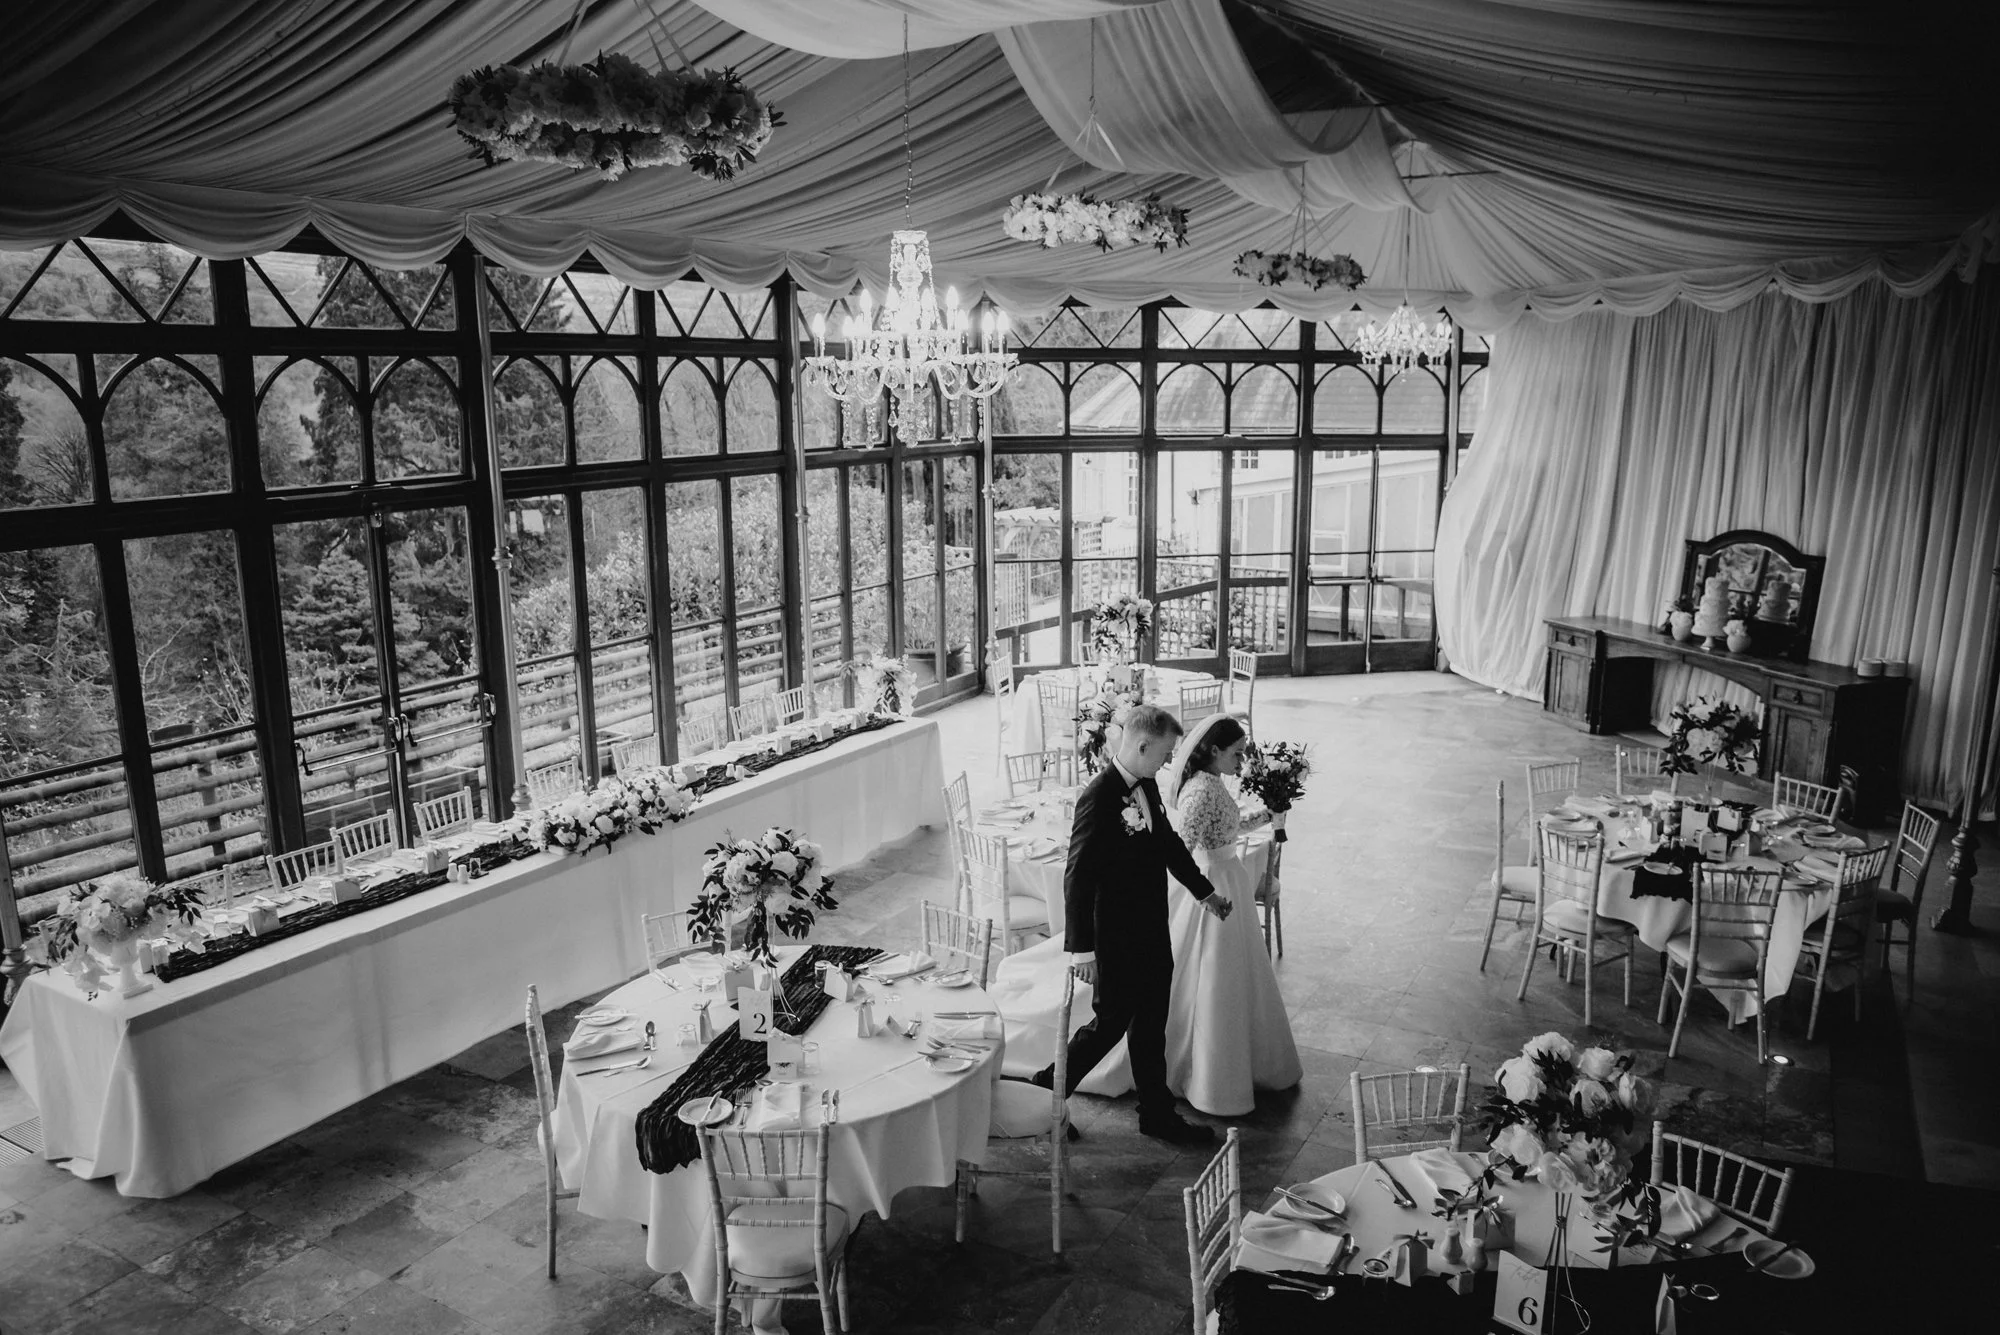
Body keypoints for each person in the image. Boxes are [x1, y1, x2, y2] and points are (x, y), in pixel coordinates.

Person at [1031, 704, 1231, 1145]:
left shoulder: (1147, 785)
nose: (1169, 760)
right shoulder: (1100, 795)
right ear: (1142, 745)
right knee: (1110, 1024)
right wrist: (1083, 950)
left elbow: (1168, 844)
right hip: (1117, 938)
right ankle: (1045, 1093)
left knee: (1151, 1023)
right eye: (1165, 752)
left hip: (1152, 929)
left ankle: (1156, 1115)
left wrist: (1205, 892)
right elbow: (1077, 875)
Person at [1158, 713, 1302, 1115]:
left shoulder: (1213, 782)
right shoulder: (1201, 791)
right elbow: (1180, 849)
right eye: (1236, 754)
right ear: (1214, 751)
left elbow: (1226, 828)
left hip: (1227, 878)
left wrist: (1269, 815)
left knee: (1234, 974)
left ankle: (1234, 1062)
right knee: (1212, 976)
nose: (1242, 761)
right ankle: (1208, 1073)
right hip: (1213, 888)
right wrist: (1204, 893)